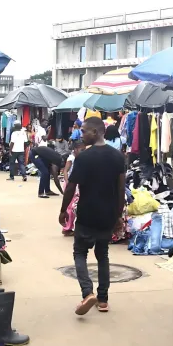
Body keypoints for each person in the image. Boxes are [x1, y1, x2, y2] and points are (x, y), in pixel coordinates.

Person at [59, 117, 125, 315]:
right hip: (107, 214)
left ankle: (87, 293)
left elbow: (71, 186)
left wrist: (63, 209)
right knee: (102, 254)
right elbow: (121, 189)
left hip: (87, 213)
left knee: (80, 252)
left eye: (85, 131)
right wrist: (118, 215)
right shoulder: (118, 157)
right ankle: (103, 300)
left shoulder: (84, 158)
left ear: (96, 132)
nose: (81, 134)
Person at [60, 141, 84, 236]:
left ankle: (69, 227)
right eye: (81, 150)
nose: (83, 152)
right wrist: (68, 182)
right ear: (75, 149)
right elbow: (65, 171)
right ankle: (67, 228)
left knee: (73, 206)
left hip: (75, 184)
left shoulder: (79, 158)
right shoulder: (72, 158)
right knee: (70, 207)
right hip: (70, 184)